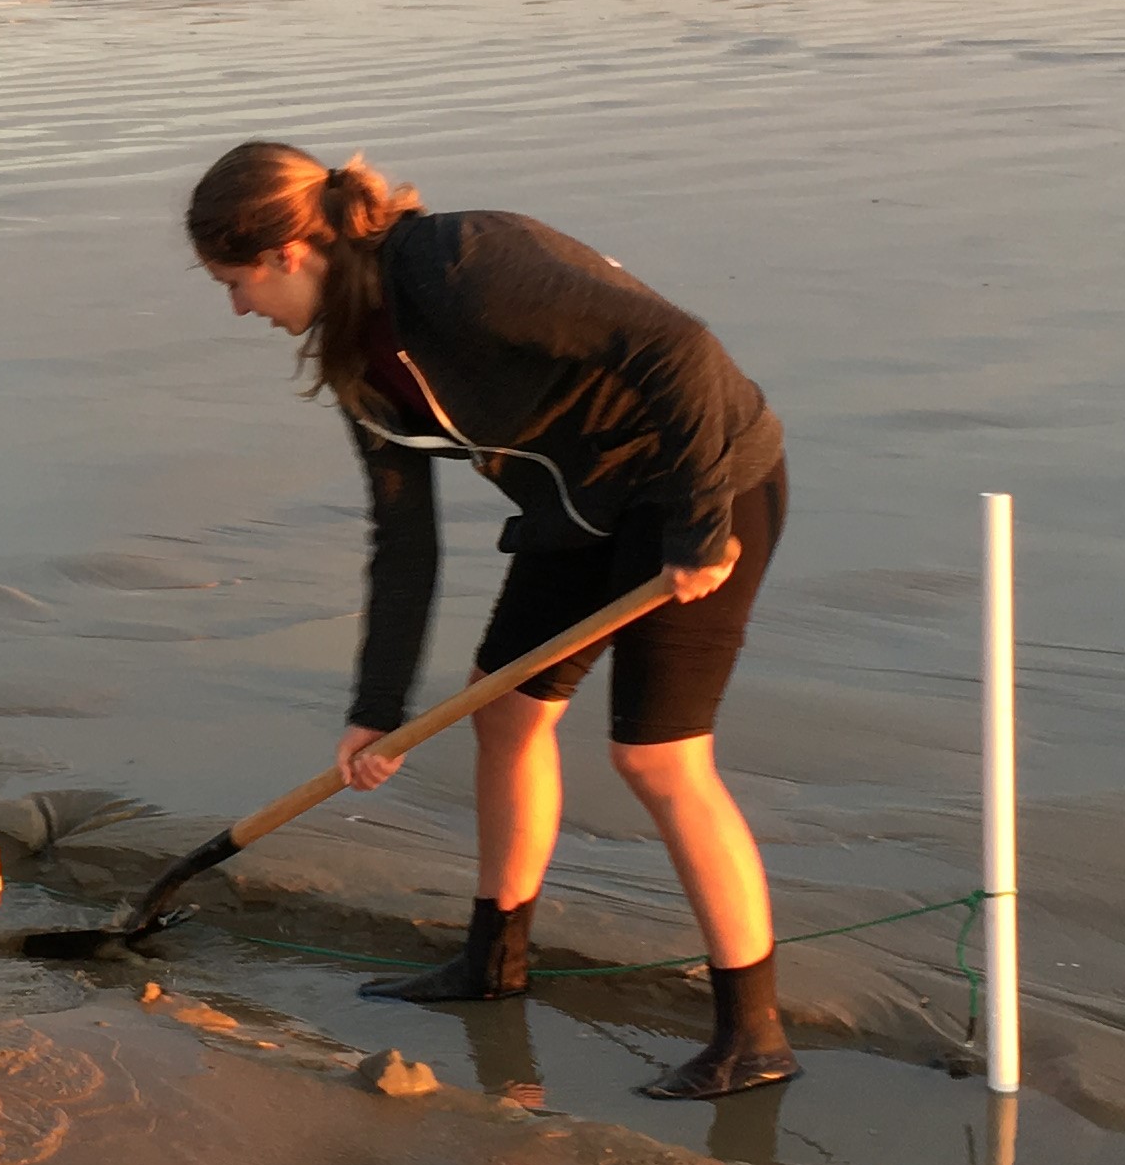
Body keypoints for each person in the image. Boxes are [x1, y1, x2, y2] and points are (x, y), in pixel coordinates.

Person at [182, 143, 796, 1100]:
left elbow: (675, 344)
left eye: (234, 283)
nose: (237, 309)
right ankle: (493, 963)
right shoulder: (355, 355)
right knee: (503, 711)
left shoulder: (461, 268)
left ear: (289, 254)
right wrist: (376, 709)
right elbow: (404, 538)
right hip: (580, 510)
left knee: (658, 757)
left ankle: (753, 1036)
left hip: (705, 481)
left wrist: (698, 523)